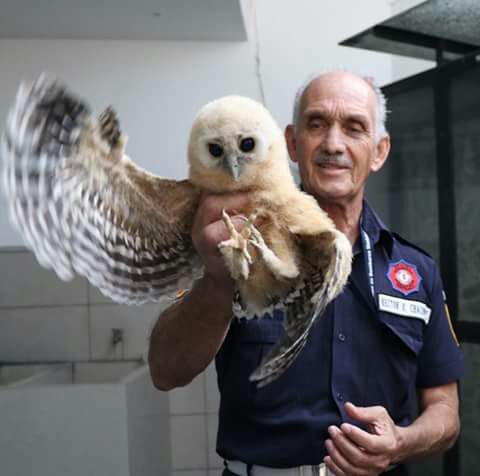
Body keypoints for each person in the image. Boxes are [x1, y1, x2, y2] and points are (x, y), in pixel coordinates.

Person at [148, 70, 464, 476]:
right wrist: (218, 281)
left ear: (379, 151)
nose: (334, 144)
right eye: (317, 124)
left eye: (354, 128)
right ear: (292, 143)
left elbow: (446, 411)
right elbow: (165, 370)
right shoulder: (236, 243)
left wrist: (402, 442)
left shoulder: (417, 272)